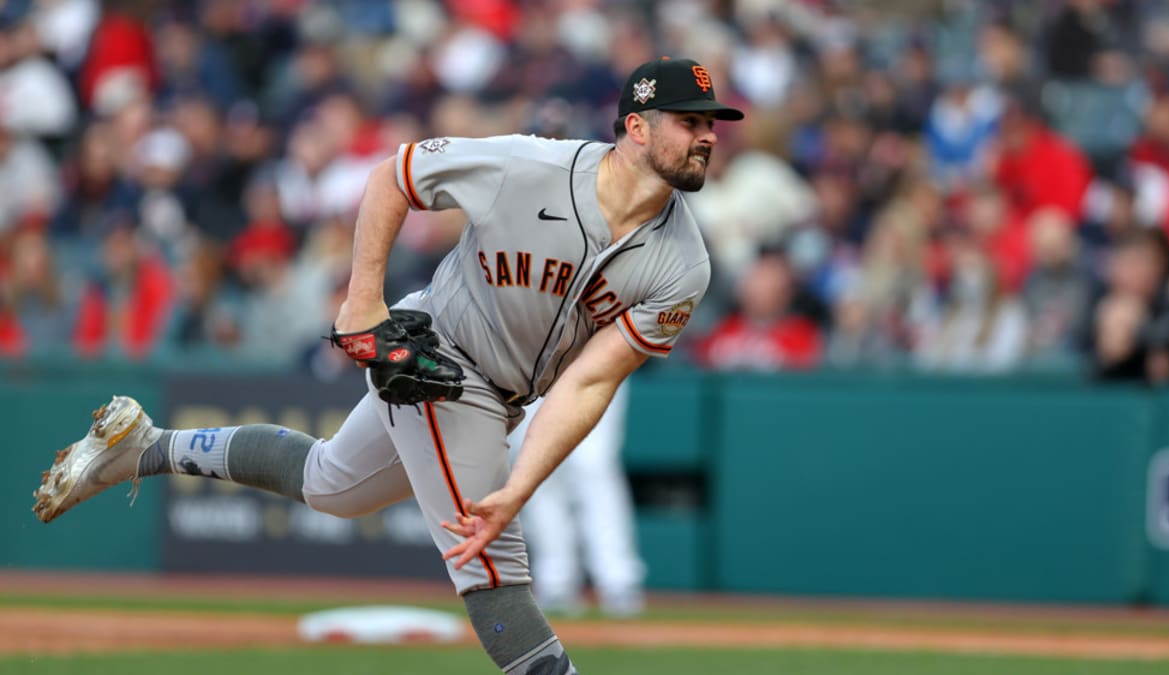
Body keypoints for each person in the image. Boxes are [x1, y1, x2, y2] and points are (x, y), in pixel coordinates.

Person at [32, 56, 742, 674]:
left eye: (713, 122)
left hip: (506, 396)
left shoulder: (683, 264)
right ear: (638, 125)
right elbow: (394, 174)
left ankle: (145, 448)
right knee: (491, 562)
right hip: (438, 360)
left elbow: (591, 378)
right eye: (691, 120)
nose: (708, 134)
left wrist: (519, 483)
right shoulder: (532, 167)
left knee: (330, 485)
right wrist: (361, 298)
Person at [507, 380, 645, 618]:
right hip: (532, 357)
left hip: (596, 350)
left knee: (592, 466)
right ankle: (555, 581)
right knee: (536, 467)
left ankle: (618, 580)